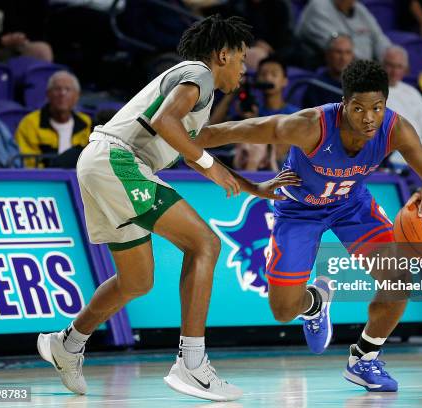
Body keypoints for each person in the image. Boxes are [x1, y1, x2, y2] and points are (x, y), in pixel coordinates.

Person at [35, 15, 298, 402]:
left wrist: (252, 187)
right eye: (241, 59)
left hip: (101, 163)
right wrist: (212, 166)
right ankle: (191, 363)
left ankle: (67, 343)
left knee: (136, 281)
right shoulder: (199, 74)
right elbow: (166, 123)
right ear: (222, 55)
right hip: (119, 162)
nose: (245, 69)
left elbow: (190, 149)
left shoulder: (195, 92)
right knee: (205, 245)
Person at [195, 60, 422, 392]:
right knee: (284, 311)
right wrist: (178, 135)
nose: (368, 117)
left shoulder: (395, 129)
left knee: (400, 278)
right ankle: (314, 303)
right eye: (359, 108)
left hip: (351, 206)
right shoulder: (308, 126)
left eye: (377, 107)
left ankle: (364, 358)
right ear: (344, 104)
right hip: (299, 210)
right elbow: (232, 131)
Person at [211, 55, 299, 171]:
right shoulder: (250, 108)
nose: (268, 77)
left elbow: (278, 152)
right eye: (263, 74)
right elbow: (211, 128)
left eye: (274, 74)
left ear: (284, 81)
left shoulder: (294, 114)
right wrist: (233, 93)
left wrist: (253, 121)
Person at [15, 71, 91, 168]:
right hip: (44, 180)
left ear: (77, 96)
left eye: (68, 89)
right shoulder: (30, 123)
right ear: (48, 94)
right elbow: (28, 164)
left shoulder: (86, 123)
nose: (62, 94)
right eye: (57, 89)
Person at [383, 45, 422, 158]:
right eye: (390, 65)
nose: (394, 71)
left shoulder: (412, 92)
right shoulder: (371, 93)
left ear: (405, 70)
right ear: (381, 66)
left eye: (399, 66)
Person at [296, 0, 391, 61]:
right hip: (332, 73)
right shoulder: (318, 6)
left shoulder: (359, 9)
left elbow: (378, 36)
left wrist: (389, 56)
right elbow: (339, 45)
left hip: (365, 71)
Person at [302, 34, 355, 108]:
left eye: (348, 52)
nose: (343, 58)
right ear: (328, 55)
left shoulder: (360, 84)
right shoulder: (317, 86)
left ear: (353, 56)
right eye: (338, 52)